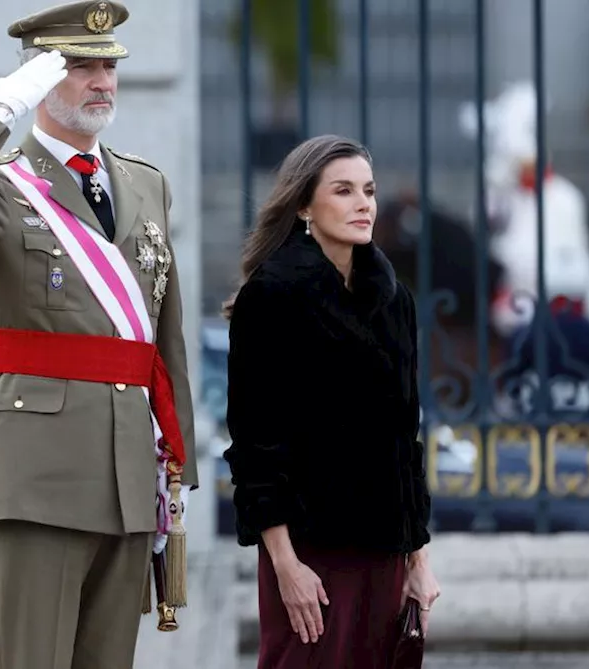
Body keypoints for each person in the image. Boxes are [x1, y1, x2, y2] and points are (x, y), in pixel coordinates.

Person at [0, 1, 199, 667]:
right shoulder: (0, 185)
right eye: (79, 66)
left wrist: (176, 466)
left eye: (109, 65)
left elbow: (165, 334)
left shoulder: (145, 184)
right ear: (39, 78)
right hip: (36, 474)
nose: (103, 80)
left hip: (127, 474)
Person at [220, 135, 441, 668]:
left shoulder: (394, 299)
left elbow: (403, 441)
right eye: (343, 191)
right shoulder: (272, 297)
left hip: (385, 554)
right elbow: (255, 446)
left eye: (368, 190)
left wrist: (418, 558)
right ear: (303, 206)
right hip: (310, 554)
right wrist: (285, 566)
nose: (363, 203)